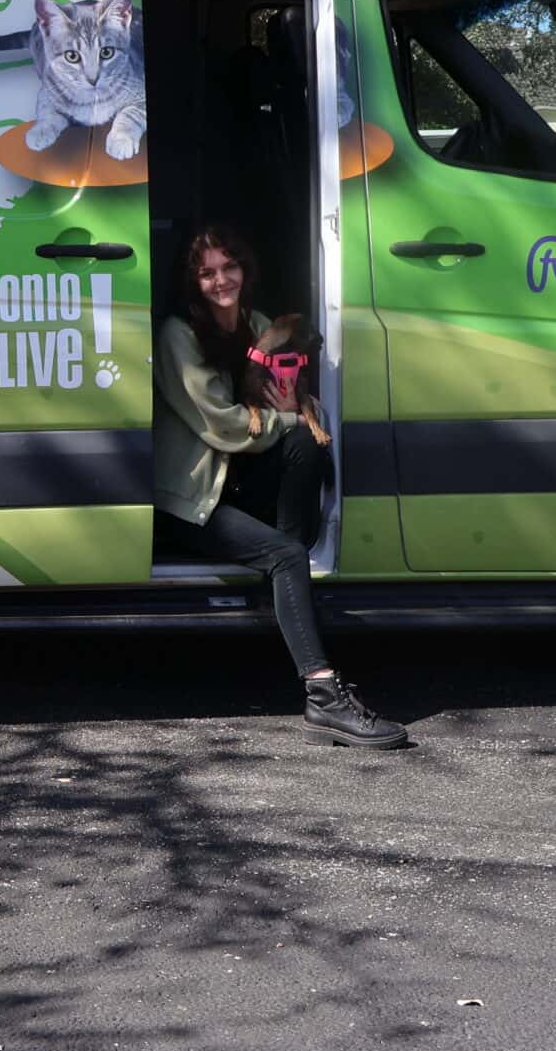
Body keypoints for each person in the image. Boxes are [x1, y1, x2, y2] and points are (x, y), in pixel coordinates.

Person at [156, 224, 408, 748]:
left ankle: (285, 586)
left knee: (305, 447)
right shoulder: (179, 333)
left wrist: (300, 411)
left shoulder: (259, 325)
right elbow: (223, 425)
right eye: (207, 273)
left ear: (244, 269)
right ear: (192, 282)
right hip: (194, 501)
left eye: (229, 267)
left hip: (241, 482)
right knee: (287, 554)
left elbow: (296, 399)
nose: (221, 280)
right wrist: (292, 417)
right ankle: (324, 697)